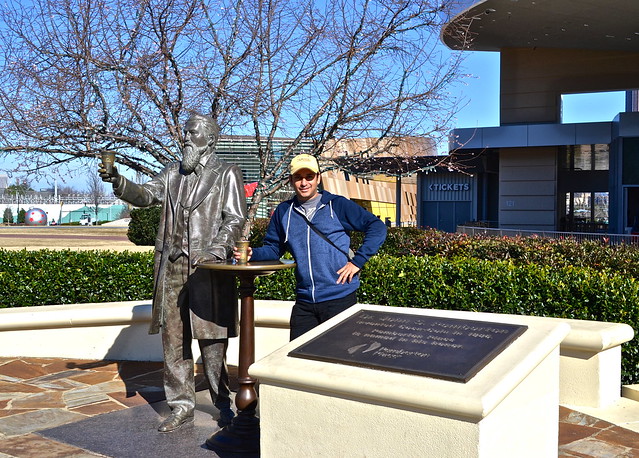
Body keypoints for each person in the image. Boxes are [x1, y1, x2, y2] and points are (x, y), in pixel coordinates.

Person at [99, 113, 246, 433]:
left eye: (191, 133)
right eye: (184, 133)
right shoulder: (171, 173)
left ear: (209, 138)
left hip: (207, 270)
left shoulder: (226, 174)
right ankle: (181, 406)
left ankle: (223, 403)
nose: (185, 138)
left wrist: (217, 250)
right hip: (173, 269)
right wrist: (118, 180)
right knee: (174, 342)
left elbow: (234, 219)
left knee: (212, 343)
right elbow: (146, 194)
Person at [234, 153, 386, 340]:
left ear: (318, 178)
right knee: (297, 361)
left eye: (309, 177)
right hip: (304, 302)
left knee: (336, 361)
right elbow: (274, 248)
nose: (304, 182)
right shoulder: (284, 211)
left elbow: (377, 227)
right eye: (298, 178)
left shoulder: (337, 205)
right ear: (291, 180)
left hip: (339, 298)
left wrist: (358, 262)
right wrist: (253, 254)